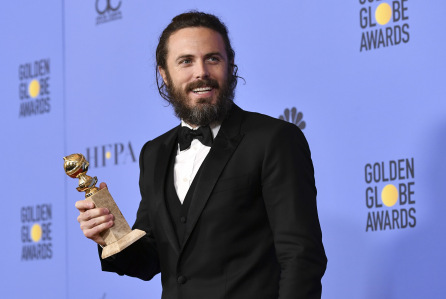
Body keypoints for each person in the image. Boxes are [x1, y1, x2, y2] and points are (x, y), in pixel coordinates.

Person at [75, 11, 327, 299]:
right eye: (186, 61)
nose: (201, 73)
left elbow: (301, 257)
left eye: (213, 59)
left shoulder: (273, 139)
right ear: (164, 74)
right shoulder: (153, 153)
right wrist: (109, 233)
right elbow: (152, 259)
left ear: (230, 65)